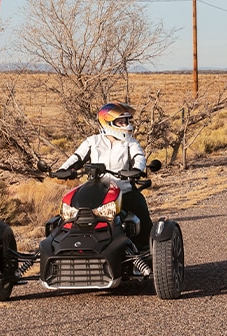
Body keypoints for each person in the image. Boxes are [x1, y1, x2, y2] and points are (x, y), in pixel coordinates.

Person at [53, 102, 153, 247]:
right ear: (107, 122)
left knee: (140, 211)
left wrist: (137, 170)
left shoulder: (131, 143)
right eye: (121, 121)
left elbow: (139, 158)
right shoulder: (93, 141)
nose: (125, 124)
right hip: (95, 191)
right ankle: (62, 246)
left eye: (126, 121)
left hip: (124, 191)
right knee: (66, 215)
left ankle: (147, 252)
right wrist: (63, 170)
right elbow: (77, 158)